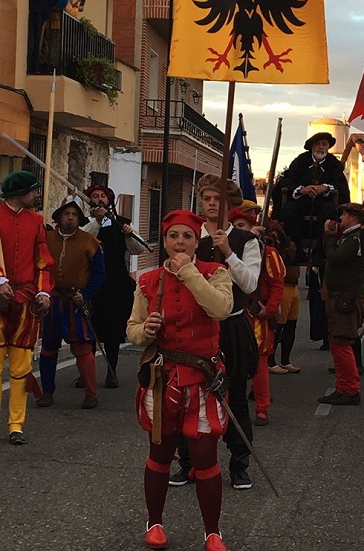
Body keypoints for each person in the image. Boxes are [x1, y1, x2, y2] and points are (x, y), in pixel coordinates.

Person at [127, 210, 233, 551]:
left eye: (187, 236)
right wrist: (146, 331)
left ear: (196, 239)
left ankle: (212, 532)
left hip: (203, 380)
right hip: (163, 381)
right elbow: (132, 330)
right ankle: (154, 522)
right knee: (159, 453)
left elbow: (220, 309)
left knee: (205, 456)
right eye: (174, 236)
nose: (180, 242)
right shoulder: (147, 280)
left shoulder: (216, 273)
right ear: (165, 240)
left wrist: (188, 272)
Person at [169, 175, 261, 490]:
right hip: (196, 327)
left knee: (234, 396)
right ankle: (188, 462)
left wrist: (229, 253)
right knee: (189, 396)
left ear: (229, 203)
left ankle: (239, 465)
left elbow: (249, 284)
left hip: (232, 326)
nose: (210, 203)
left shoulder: (246, 241)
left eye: (217, 198)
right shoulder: (190, 239)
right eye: (206, 197)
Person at [0, 170, 54, 445]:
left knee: (21, 367)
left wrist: (44, 291)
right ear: (19, 194)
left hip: (25, 301)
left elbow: (42, 261)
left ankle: (16, 425)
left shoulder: (37, 221)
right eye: (33, 190)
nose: (36, 195)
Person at [37, 196, 105, 409]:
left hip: (75, 301)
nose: (70, 217)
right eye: (66, 213)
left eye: (74, 214)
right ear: (59, 217)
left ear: (79, 218)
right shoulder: (46, 238)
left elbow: (99, 273)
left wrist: (85, 294)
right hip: (52, 300)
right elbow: (39, 267)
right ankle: (47, 392)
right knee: (48, 347)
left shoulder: (90, 242)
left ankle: (91, 394)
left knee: (83, 348)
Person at [82, 184, 147, 387]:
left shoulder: (121, 224)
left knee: (112, 330)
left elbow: (139, 249)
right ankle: (86, 373)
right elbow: (84, 240)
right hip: (91, 283)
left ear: (109, 201)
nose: (99, 199)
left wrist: (128, 233)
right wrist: (98, 222)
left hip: (115, 283)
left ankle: (112, 371)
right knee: (88, 331)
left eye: (103, 196)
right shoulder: (86, 224)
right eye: (95, 196)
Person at [228, 207, 285, 426]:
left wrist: (268, 310)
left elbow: (277, 283)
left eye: (243, 226)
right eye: (236, 226)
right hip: (232, 312)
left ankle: (262, 408)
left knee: (260, 364)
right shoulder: (225, 250)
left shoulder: (267, 253)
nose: (239, 230)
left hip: (256, 316)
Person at [318, 203, 364, 406]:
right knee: (337, 342)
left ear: (354, 218)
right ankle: (342, 388)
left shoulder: (354, 240)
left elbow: (335, 259)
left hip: (348, 298)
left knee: (341, 343)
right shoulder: (351, 238)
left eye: (345, 215)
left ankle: (350, 389)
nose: (341, 218)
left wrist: (330, 237)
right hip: (343, 296)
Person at [273, 132, 350, 260]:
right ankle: (295, 251)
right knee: (289, 210)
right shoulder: (300, 161)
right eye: (317, 144)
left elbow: (341, 187)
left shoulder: (334, 164)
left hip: (324, 202)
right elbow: (285, 181)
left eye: (324, 144)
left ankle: (321, 251)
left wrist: (326, 187)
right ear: (312, 147)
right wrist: (302, 189)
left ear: (328, 147)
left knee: (328, 210)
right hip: (301, 201)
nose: (320, 147)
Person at [267, 224, 302, 375]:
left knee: (291, 325)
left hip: (293, 284)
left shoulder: (290, 239)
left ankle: (285, 360)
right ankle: (271, 360)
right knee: (279, 326)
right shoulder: (273, 238)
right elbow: (287, 255)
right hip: (284, 284)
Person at [28, 0, 70, 73]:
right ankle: (30, 69)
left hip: (43, 19)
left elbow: (59, 5)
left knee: (37, 45)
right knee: (30, 44)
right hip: (31, 15)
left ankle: (34, 69)